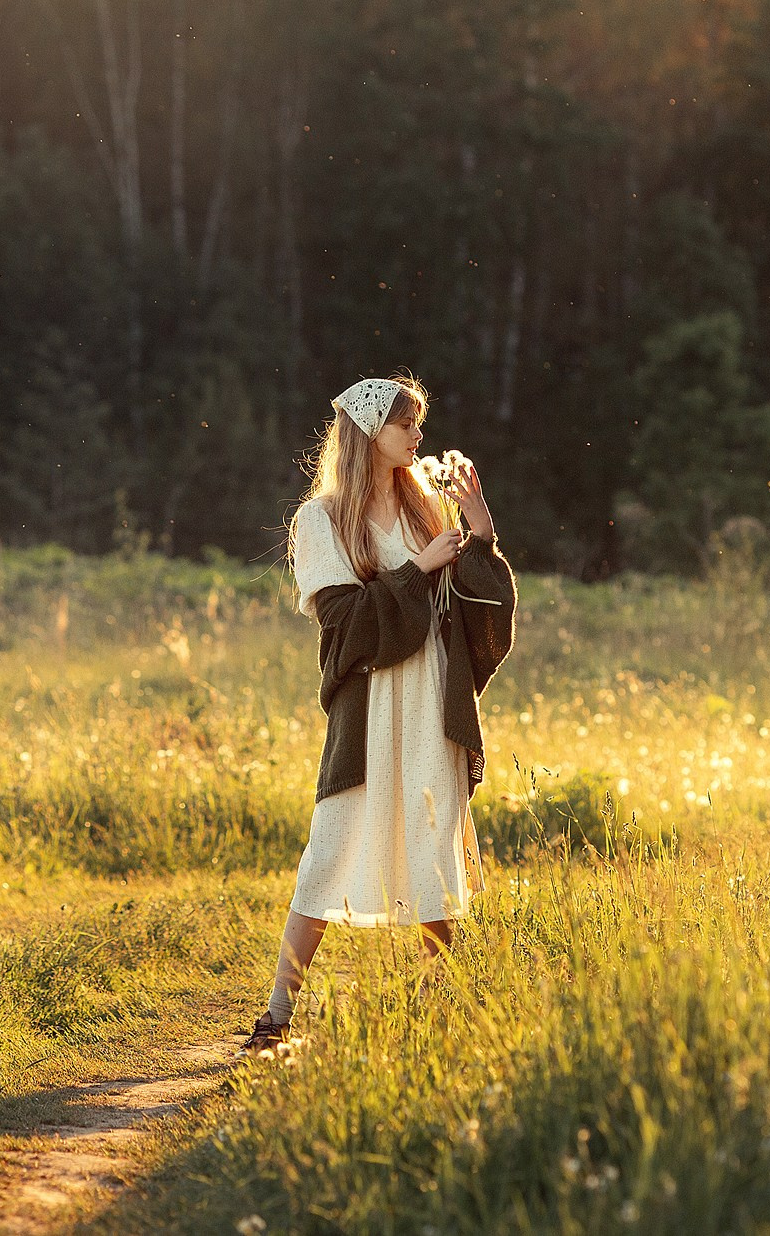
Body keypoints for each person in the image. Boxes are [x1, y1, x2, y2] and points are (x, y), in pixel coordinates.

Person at [242, 375, 518, 1053]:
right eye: (406, 425)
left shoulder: (424, 508)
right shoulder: (323, 520)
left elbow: (477, 604)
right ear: (371, 434)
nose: (418, 437)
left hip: (430, 697)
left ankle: (434, 1011)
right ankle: (277, 1012)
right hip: (369, 706)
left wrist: (478, 525)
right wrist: (417, 570)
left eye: (419, 424)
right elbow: (342, 622)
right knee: (330, 847)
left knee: (432, 844)